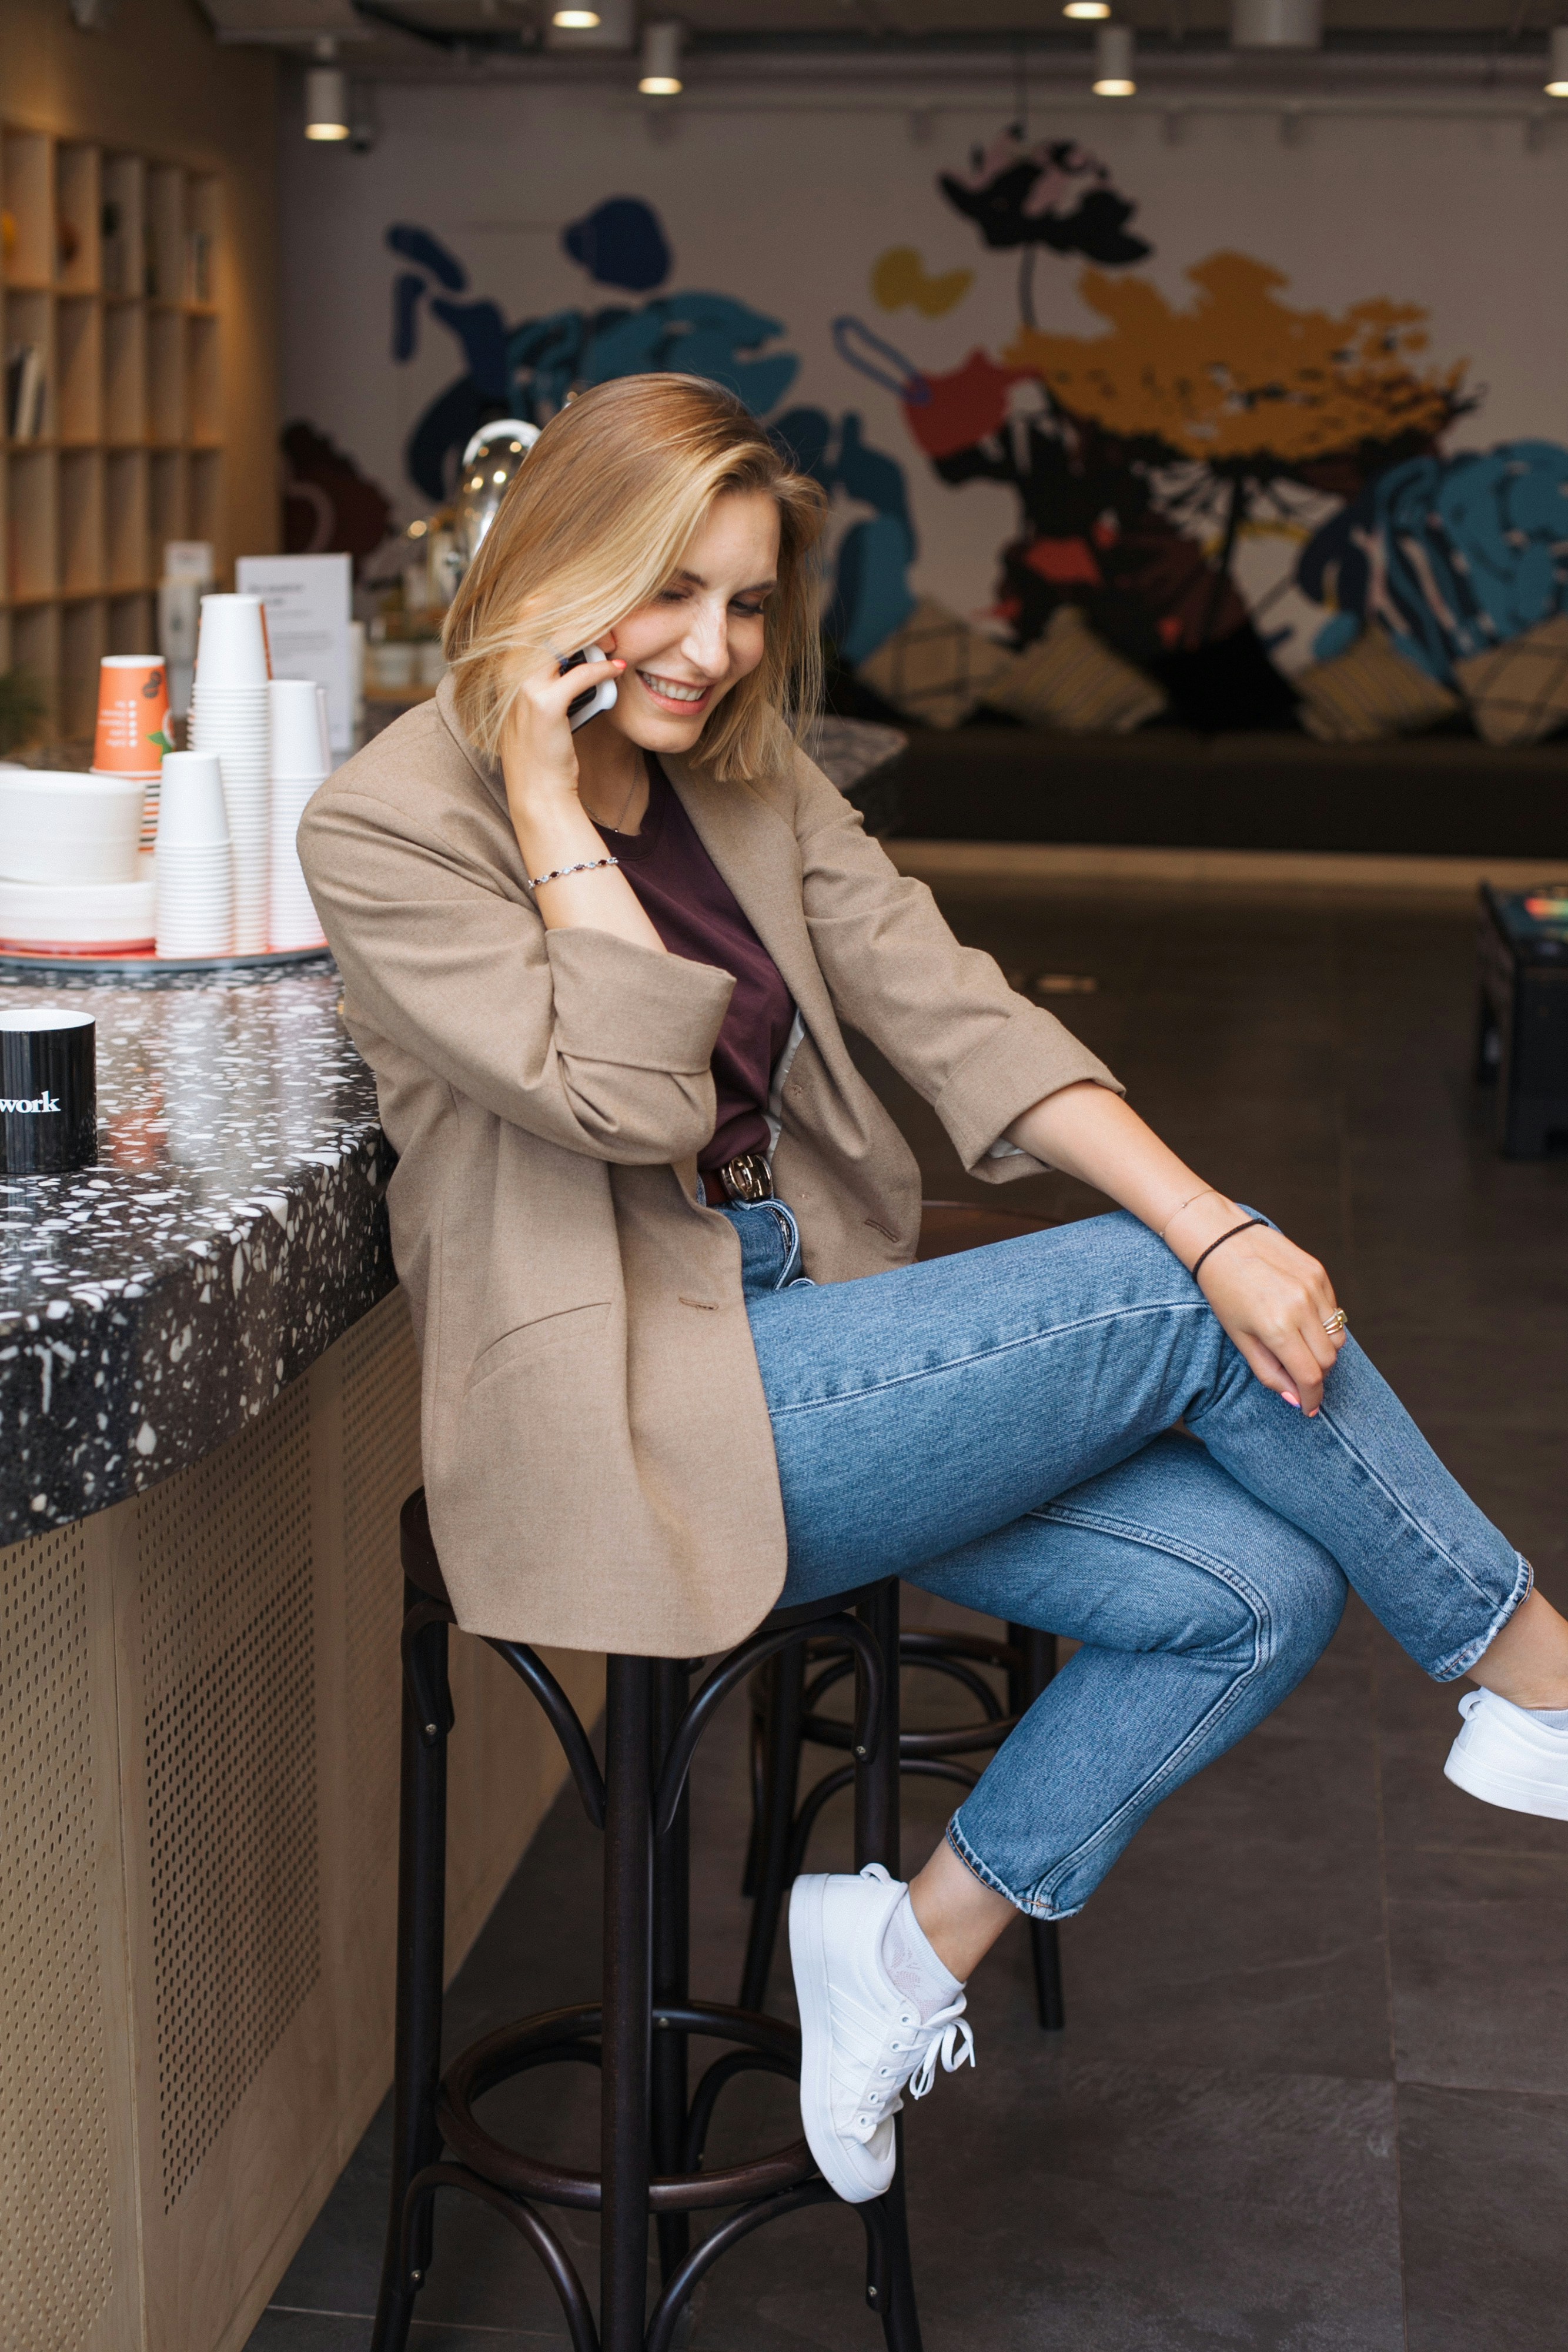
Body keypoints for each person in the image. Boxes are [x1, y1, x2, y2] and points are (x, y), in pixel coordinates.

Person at [299, 372, 1568, 2213]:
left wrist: (1211, 1215)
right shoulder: (391, 824)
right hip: (627, 1409)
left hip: (810, 1331)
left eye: (745, 604)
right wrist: (535, 787)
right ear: (555, 564)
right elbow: (631, 1096)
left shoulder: (738, 768)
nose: (713, 649)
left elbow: (947, 999)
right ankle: (1532, 1669)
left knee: (1259, 1592)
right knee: (1160, 1289)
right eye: (669, 594)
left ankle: (904, 1948)